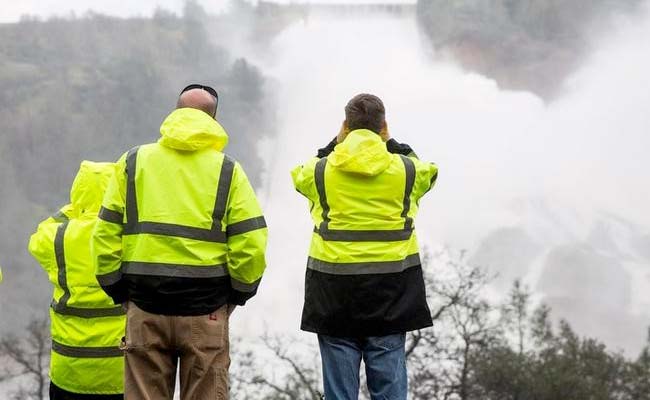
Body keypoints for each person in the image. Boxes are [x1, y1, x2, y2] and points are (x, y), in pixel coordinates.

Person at [92, 84, 267, 399]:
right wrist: (237, 295)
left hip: (144, 307)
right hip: (206, 310)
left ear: (175, 112)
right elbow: (250, 243)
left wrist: (119, 291)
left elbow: (105, 233)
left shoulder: (133, 162)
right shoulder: (228, 170)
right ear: (214, 120)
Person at [291, 93, 438, 399]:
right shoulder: (407, 172)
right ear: (383, 126)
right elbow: (427, 170)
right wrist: (392, 143)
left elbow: (301, 172)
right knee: (390, 390)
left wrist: (335, 144)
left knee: (340, 393)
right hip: (391, 295)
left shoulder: (320, 172)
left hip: (333, 295)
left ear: (345, 126)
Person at [28, 161, 125, 399]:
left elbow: (39, 235)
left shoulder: (57, 237)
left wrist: (75, 208)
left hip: (68, 371)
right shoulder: (126, 235)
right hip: (120, 372)